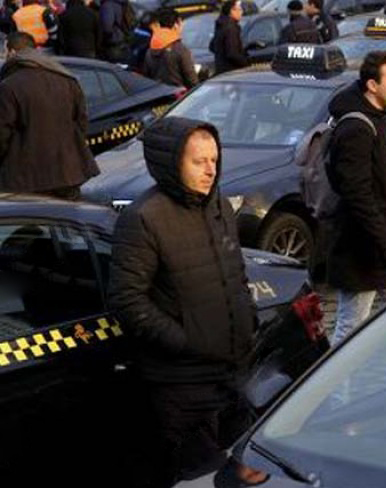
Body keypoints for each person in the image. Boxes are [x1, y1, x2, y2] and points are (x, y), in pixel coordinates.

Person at [108, 116, 258, 488]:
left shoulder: (218, 204)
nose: (211, 170)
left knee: (246, 476)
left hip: (233, 375)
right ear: (172, 163)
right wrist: (186, 341)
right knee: (199, 479)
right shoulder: (144, 218)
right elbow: (127, 300)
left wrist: (247, 318)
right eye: (199, 162)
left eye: (214, 160)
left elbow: (234, 271)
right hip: (184, 386)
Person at [326, 50, 386, 346]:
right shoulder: (357, 129)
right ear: (372, 86)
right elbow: (358, 196)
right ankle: (332, 392)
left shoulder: (377, 118)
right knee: (350, 333)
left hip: (385, 250)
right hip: (362, 253)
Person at [0, 32, 98, 199]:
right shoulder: (66, 79)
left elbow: (2, 135)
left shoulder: (9, 86)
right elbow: (81, 123)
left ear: (12, 52)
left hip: (26, 180)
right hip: (68, 173)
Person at [143, 9, 198, 88]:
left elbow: (147, 77)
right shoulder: (180, 49)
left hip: (158, 96)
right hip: (180, 97)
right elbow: (192, 80)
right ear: (177, 24)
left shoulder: (150, 49)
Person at [210, 0, 249, 75]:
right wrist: (246, 64)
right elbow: (232, 53)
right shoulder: (231, 28)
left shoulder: (221, 25)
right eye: (240, 9)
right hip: (232, 72)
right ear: (232, 11)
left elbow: (212, 46)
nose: (242, 12)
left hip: (221, 71)